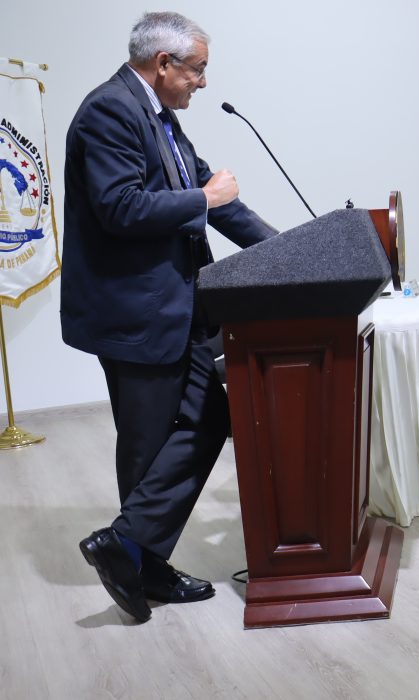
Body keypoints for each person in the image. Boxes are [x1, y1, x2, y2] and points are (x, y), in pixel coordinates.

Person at [61, 12, 278, 623]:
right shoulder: (108, 112)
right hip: (135, 314)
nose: (202, 83)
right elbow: (120, 207)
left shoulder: (160, 118)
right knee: (147, 443)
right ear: (163, 64)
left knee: (210, 416)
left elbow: (217, 201)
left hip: (181, 309)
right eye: (197, 70)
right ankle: (140, 563)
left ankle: (127, 545)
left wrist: (290, 250)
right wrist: (203, 199)